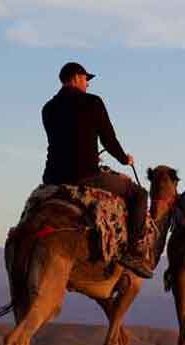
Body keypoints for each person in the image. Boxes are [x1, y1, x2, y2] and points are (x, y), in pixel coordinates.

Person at [41, 62, 154, 278]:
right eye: (86, 79)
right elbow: (108, 139)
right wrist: (123, 159)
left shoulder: (47, 108)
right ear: (75, 77)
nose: (87, 84)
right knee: (139, 194)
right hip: (85, 175)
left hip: (52, 177)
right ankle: (132, 253)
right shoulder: (92, 102)